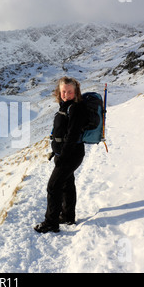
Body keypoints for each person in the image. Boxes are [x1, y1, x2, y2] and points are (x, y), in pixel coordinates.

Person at [35, 77, 87, 234]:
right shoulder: (65, 106)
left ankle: (51, 223)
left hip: (70, 155)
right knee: (67, 184)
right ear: (59, 91)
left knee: (53, 186)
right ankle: (68, 216)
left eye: (70, 91)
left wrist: (63, 155)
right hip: (65, 154)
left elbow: (72, 135)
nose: (66, 94)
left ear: (75, 92)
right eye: (63, 91)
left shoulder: (76, 108)